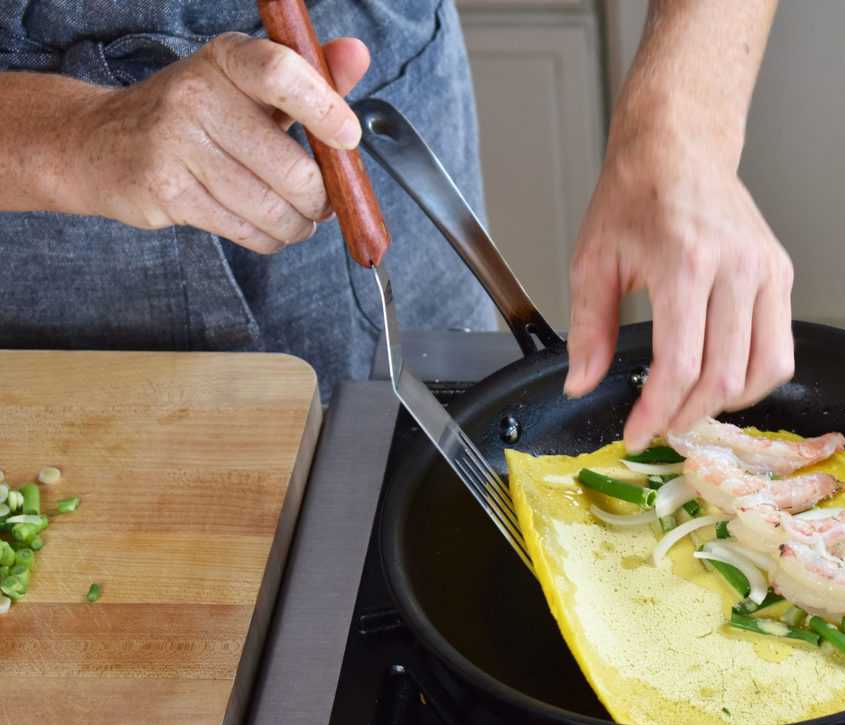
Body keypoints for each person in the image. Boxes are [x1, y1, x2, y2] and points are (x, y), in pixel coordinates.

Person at [0, 0, 793, 451]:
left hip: (371, 86)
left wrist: (683, 120)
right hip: (41, 219)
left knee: (452, 438)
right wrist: (66, 142)